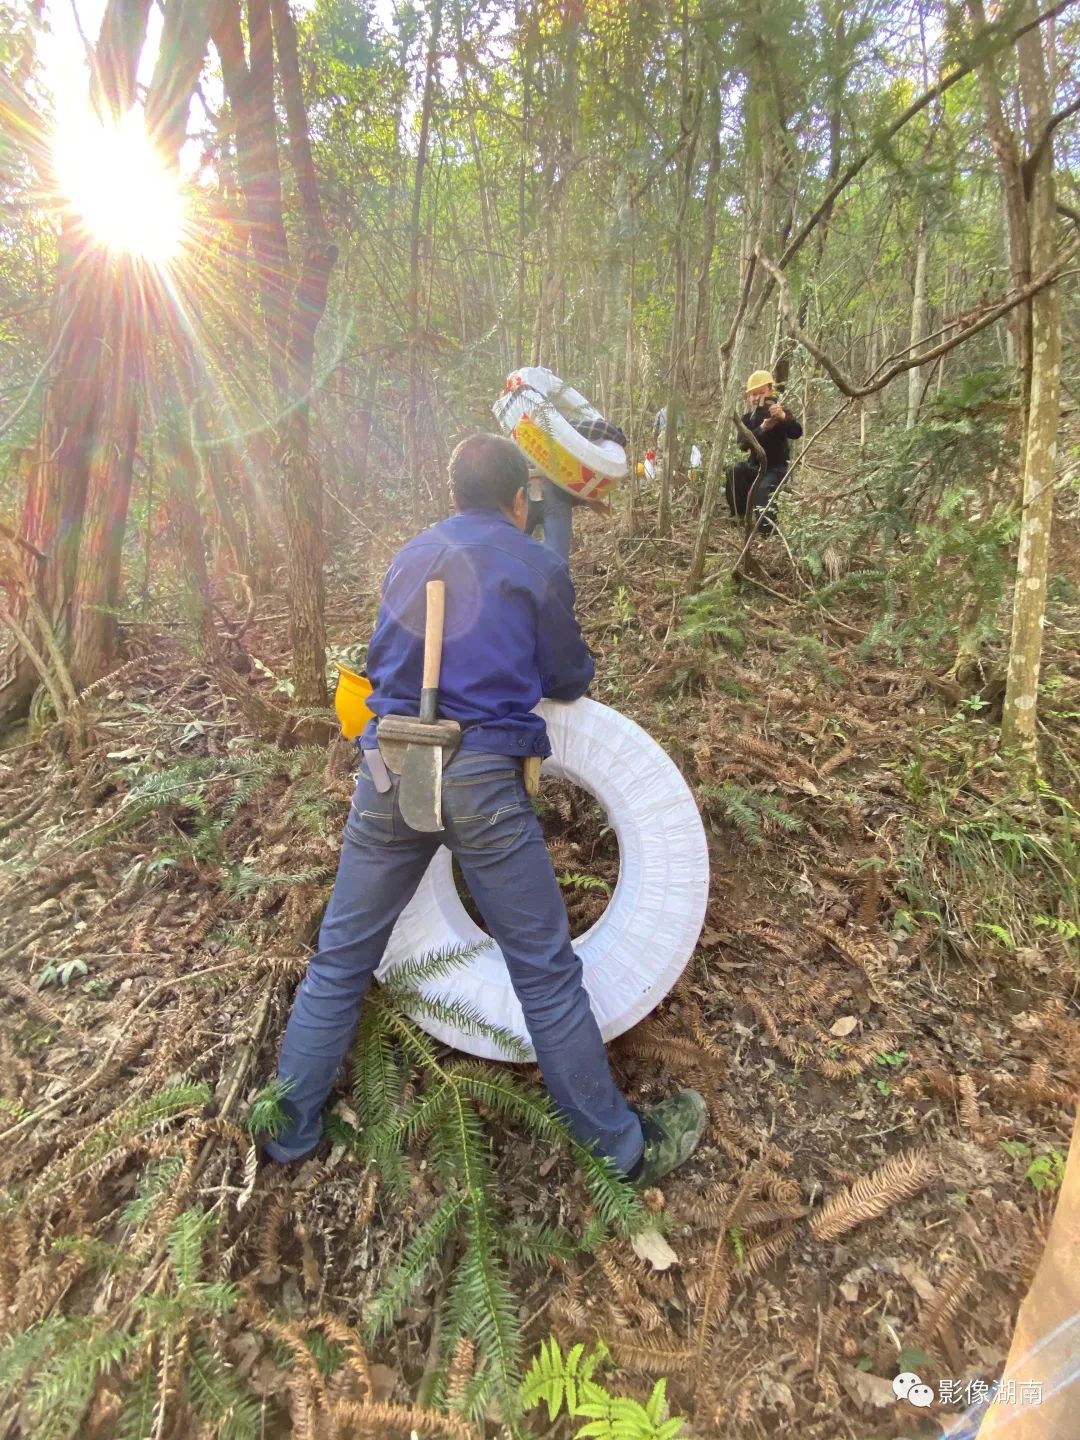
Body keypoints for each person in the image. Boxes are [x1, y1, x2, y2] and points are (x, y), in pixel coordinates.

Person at [265, 433, 707, 1185]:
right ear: (520, 499)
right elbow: (568, 677)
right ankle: (619, 1151)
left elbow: (379, 666)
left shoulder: (410, 556)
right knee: (543, 970)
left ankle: (285, 1133)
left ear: (452, 494)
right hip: (480, 778)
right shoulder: (534, 563)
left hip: (390, 767)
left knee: (340, 959)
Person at [725, 369, 803, 536]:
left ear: (770, 390)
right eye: (753, 394)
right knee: (735, 470)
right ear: (748, 397)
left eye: (761, 393)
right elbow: (742, 445)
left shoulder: (781, 412)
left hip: (776, 469)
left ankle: (767, 533)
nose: (757, 397)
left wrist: (783, 417)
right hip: (755, 466)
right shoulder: (747, 419)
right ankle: (739, 516)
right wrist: (762, 428)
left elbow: (796, 432)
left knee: (763, 489)